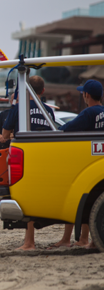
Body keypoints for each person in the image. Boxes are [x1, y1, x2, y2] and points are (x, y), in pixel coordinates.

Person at [49, 79, 104, 250]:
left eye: (83, 94)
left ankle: (72, 239)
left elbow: (66, 129)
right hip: (99, 163)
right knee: (93, 203)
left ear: (87, 95)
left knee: (77, 200)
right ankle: (89, 240)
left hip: (85, 160)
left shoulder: (88, 113)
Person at [2, 76, 54, 251]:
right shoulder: (49, 111)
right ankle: (68, 238)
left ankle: (29, 242)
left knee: (27, 199)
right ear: (43, 91)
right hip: (46, 159)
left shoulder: (18, 109)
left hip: (25, 158)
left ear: (26, 90)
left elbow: (5, 132)